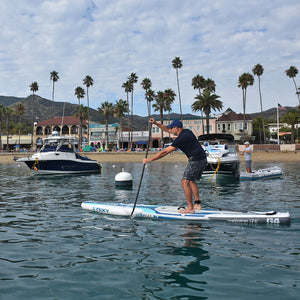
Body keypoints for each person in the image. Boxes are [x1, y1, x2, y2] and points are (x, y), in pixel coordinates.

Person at [143, 118, 207, 214]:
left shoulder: (181, 138)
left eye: (171, 128)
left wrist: (149, 160)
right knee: (191, 181)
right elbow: (166, 129)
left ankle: (190, 208)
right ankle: (197, 204)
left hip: (196, 160)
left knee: (185, 182)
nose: (170, 131)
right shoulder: (187, 132)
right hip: (202, 158)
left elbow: (164, 152)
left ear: (176, 128)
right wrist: (155, 123)